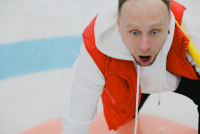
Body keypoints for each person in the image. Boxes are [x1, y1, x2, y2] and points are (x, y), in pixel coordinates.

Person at [60, 0, 200, 133]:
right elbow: (75, 124)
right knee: (126, 117)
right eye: (134, 32)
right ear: (119, 24)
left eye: (154, 31)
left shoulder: (190, 30)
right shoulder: (96, 49)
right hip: (129, 82)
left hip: (178, 73)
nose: (144, 46)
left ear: (169, 22)